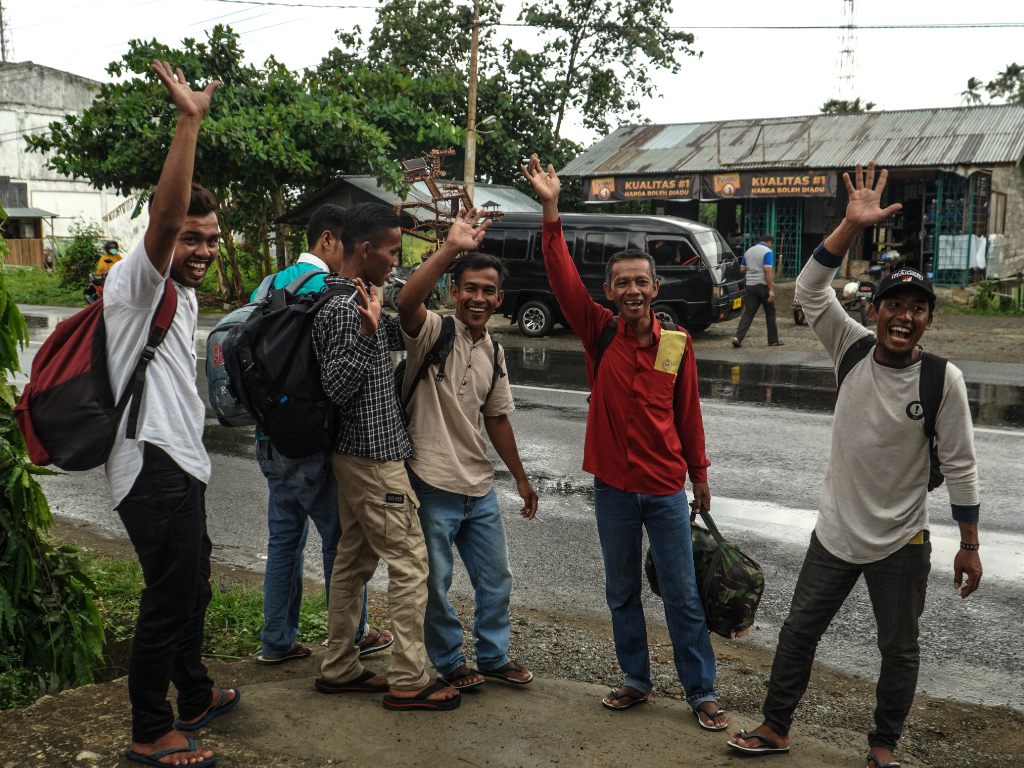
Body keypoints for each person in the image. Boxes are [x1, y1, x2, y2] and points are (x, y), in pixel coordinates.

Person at [727, 162, 982, 768]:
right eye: (894, 302)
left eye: (917, 308)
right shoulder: (851, 349)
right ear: (875, 311)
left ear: (927, 320)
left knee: (899, 650)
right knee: (797, 633)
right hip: (836, 530)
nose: (904, 315)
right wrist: (848, 223)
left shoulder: (942, 378)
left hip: (902, 539)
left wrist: (969, 543)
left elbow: (963, 466)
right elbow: (811, 290)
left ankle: (883, 746)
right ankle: (775, 726)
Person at [521, 155, 727, 731]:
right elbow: (560, 274)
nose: (633, 290)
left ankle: (701, 691)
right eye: (623, 283)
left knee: (683, 596)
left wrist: (700, 475)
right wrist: (551, 207)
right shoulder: (600, 330)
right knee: (621, 592)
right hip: (612, 488)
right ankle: (636, 678)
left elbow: (688, 414)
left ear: (655, 288)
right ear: (609, 291)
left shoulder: (676, 344)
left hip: (664, 489)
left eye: (642, 281)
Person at [101, 62, 232, 768]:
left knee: (196, 585)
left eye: (211, 239)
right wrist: (190, 121)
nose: (203, 251)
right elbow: (164, 214)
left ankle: (197, 694)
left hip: (182, 461)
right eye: (193, 239)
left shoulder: (179, 296)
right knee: (170, 597)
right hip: (149, 463)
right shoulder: (138, 281)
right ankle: (151, 729)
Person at [311, 203, 460, 712]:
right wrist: (370, 333)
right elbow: (337, 387)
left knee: (353, 561)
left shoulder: (361, 297)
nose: (396, 262)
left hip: (359, 458)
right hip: (372, 460)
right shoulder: (339, 308)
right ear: (366, 250)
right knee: (410, 564)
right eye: (393, 251)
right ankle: (409, 676)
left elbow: (405, 330)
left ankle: (338, 666)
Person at [395, 209, 539, 692]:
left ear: (500, 299)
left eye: (488, 291)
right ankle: (450, 659)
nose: (478, 298)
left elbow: (496, 418)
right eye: (470, 288)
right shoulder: (433, 331)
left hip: (478, 487)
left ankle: (494, 656)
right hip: (431, 481)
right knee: (435, 582)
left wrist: (519, 477)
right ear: (455, 292)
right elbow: (406, 301)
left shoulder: (494, 351)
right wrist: (451, 249)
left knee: (496, 578)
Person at [254, 203, 393, 666]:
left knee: (283, 541)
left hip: (270, 438)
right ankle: (354, 635)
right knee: (343, 545)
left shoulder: (270, 283)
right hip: (312, 443)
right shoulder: (329, 290)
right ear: (329, 240)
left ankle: (276, 640)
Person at [731, 233, 782, 348]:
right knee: (770, 312)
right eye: (771, 244)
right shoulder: (767, 252)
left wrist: (751, 274)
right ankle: (773, 340)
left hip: (750, 286)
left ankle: (737, 338)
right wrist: (771, 290)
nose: (771, 246)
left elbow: (742, 269)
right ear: (769, 242)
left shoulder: (748, 251)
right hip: (762, 286)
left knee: (748, 313)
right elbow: (767, 270)